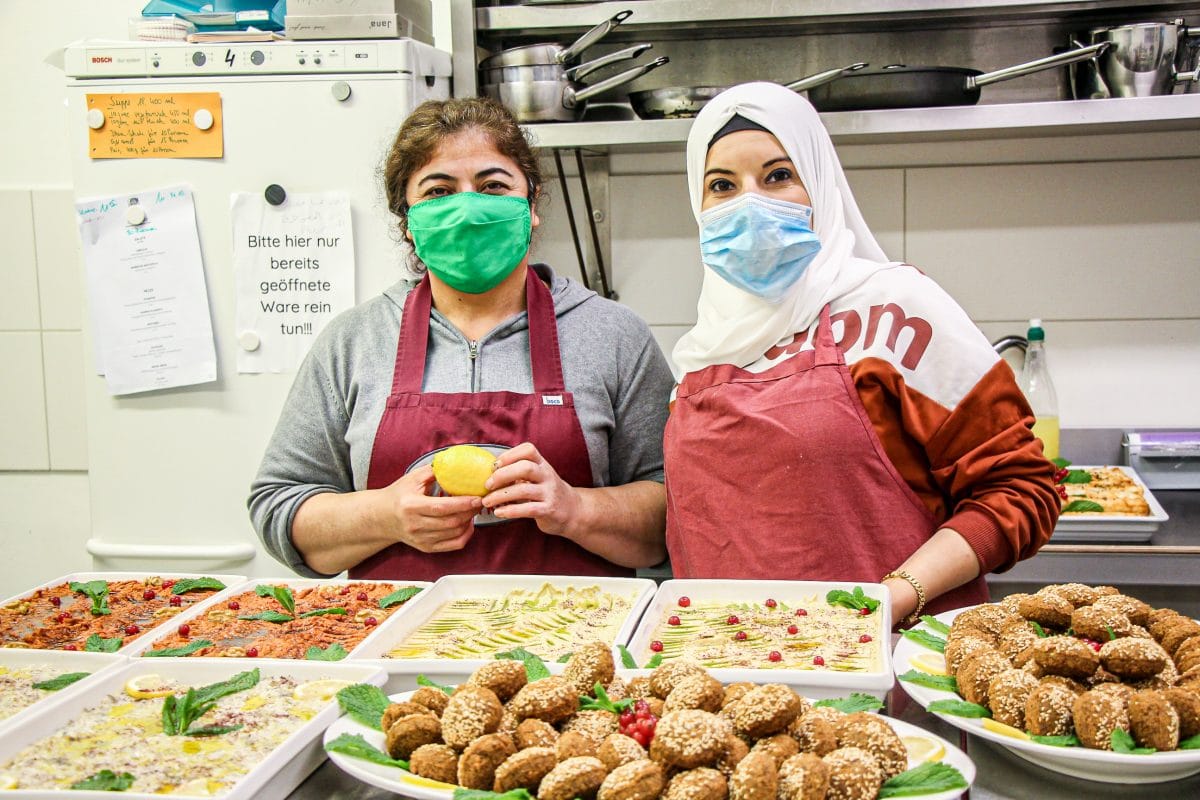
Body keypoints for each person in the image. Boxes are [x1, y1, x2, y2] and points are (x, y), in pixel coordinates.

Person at [663, 82, 1060, 626]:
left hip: (891, 669)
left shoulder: (894, 308)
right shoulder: (697, 357)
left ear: (820, 184)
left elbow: (1022, 487)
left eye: (778, 176)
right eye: (722, 185)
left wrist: (891, 600)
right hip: (733, 678)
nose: (749, 202)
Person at [249, 97, 673, 581]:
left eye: (493, 186)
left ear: (531, 205)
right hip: (397, 646)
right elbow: (279, 508)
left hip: (571, 644)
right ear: (406, 220)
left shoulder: (614, 335)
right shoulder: (353, 341)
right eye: (438, 191)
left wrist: (574, 509)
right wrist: (386, 516)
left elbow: (673, 512)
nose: (468, 209)